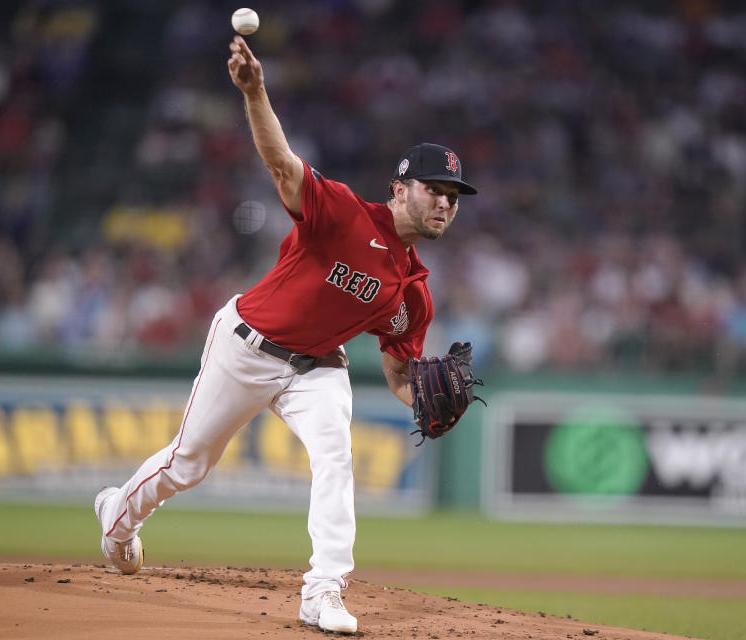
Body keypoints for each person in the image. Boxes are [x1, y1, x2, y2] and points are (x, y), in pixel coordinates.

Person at [93, 35, 478, 635]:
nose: (446, 205)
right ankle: (119, 517)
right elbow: (281, 163)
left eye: (454, 198)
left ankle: (323, 592)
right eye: (436, 191)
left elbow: (402, 373)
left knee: (335, 458)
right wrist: (254, 91)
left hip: (318, 367)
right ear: (400, 188)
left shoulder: (415, 292)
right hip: (245, 344)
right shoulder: (346, 213)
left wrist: (425, 404)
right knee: (188, 464)